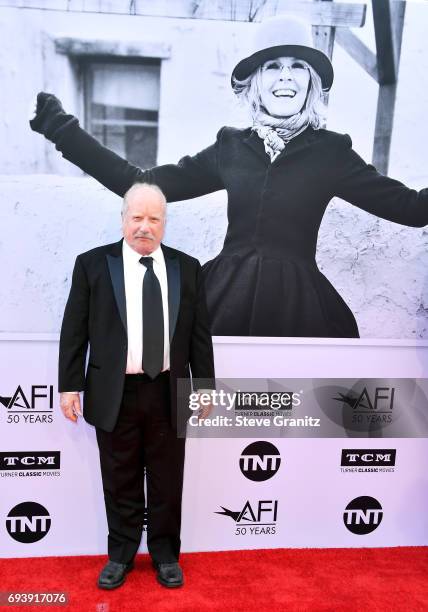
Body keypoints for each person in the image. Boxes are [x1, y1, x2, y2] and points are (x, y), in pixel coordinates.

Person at [30, 14, 428, 338]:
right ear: (256, 81)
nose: (285, 77)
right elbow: (139, 184)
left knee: (296, 421)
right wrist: (64, 131)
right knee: (205, 416)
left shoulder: (332, 152)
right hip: (222, 299)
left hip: (298, 308)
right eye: (273, 66)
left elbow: (412, 208)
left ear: (310, 83)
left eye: (296, 68)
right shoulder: (231, 146)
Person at [59, 182, 215, 589]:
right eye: (137, 217)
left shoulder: (188, 267)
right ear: (123, 219)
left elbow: (200, 334)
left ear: (164, 224)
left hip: (168, 389)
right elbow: (74, 331)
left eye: (154, 219)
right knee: (119, 478)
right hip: (115, 392)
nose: (145, 226)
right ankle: (121, 554)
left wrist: (206, 385)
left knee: (167, 479)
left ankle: (165, 556)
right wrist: (68, 385)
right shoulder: (92, 265)